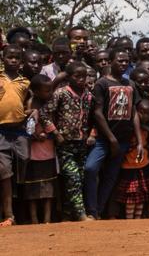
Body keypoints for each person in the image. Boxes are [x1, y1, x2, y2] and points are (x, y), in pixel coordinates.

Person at [84, 45, 141, 220]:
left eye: (126, 61)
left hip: (123, 139)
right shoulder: (102, 83)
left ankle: (98, 211)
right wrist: (111, 139)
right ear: (110, 62)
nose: (124, 63)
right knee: (90, 169)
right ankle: (91, 210)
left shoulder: (130, 84)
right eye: (120, 60)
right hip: (103, 139)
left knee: (111, 176)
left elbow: (134, 113)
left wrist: (139, 141)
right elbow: (97, 113)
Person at [51, 61, 93, 221]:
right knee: (72, 177)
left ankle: (68, 215)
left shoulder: (89, 96)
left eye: (85, 76)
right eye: (77, 76)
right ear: (69, 77)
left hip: (82, 143)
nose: (82, 79)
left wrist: (92, 134)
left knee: (79, 178)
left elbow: (93, 118)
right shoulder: (61, 93)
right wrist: (55, 133)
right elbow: (44, 114)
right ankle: (81, 215)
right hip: (65, 144)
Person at [0, 44, 30, 226]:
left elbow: (30, 99)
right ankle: (9, 215)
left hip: (19, 131)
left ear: (21, 61)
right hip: (1, 131)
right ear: (3, 59)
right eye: (9, 57)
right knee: (4, 171)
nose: (13, 60)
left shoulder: (24, 82)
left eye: (16, 58)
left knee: (24, 159)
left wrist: (30, 111)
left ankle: (17, 202)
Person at [116, 99, 149, 220]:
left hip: (143, 165)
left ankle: (138, 220)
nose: (145, 116)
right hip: (129, 166)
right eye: (142, 112)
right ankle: (130, 220)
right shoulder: (129, 128)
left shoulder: (146, 130)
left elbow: (145, 146)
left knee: (141, 195)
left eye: (148, 113)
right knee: (130, 198)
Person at [23, 74, 58, 223]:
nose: (49, 94)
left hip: (49, 152)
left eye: (51, 90)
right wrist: (36, 136)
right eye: (46, 91)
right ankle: (34, 219)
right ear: (36, 92)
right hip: (33, 153)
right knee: (33, 188)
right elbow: (28, 128)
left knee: (49, 187)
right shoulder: (31, 105)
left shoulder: (51, 104)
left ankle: (47, 219)